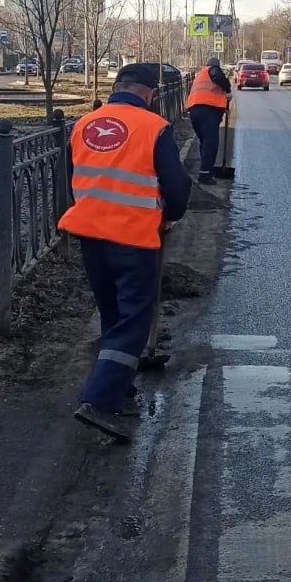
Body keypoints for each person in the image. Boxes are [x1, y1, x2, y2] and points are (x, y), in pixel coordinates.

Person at [60, 63, 192, 440]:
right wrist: (170, 215)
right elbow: (177, 188)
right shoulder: (153, 127)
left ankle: (121, 390)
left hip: (90, 233)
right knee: (134, 319)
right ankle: (99, 401)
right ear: (149, 93)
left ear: (118, 86)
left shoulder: (85, 124)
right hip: (133, 239)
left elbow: (73, 176)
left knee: (113, 315)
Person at [187, 56, 232, 184]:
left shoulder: (200, 74)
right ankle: (205, 176)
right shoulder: (212, 69)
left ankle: (206, 171)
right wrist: (227, 89)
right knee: (210, 143)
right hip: (207, 110)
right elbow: (217, 76)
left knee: (205, 142)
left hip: (194, 111)